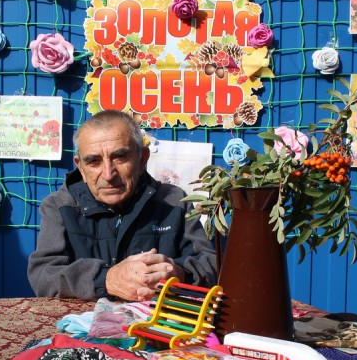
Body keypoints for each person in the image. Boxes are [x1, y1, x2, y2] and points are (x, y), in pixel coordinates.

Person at [27, 110, 217, 301]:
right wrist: (106, 279)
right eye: (94, 161)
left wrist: (179, 274)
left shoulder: (173, 201)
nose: (108, 174)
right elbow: (43, 275)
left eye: (120, 157)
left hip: (157, 318)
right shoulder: (60, 206)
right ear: (81, 168)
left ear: (142, 159)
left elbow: (211, 265)